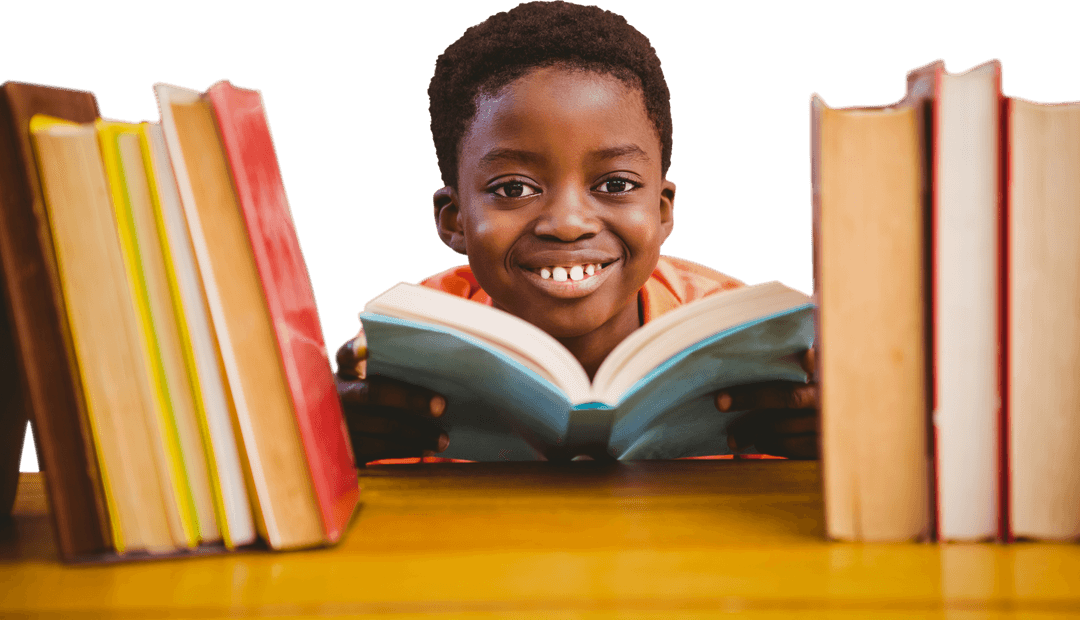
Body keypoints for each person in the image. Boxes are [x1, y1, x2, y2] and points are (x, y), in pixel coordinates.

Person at [335, 0, 818, 465]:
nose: (567, 224)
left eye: (615, 184)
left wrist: (833, 439)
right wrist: (328, 441)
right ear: (454, 219)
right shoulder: (412, 343)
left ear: (663, 211)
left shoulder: (740, 337)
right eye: (512, 189)